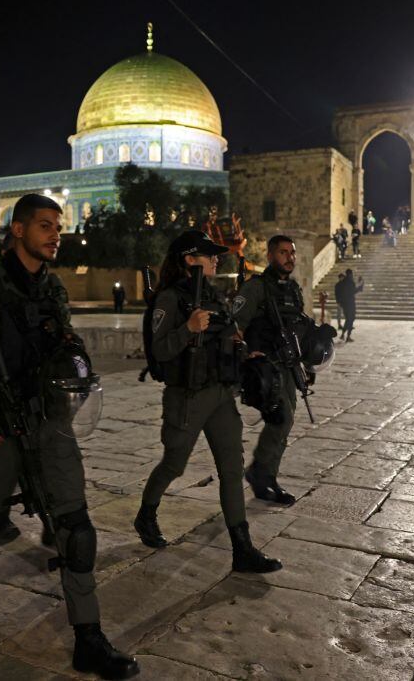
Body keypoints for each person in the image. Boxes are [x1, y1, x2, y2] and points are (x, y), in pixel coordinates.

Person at [0, 194, 138, 679]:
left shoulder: (53, 290)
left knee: (77, 531)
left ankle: (88, 637)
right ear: (16, 230)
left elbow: (64, 345)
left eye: (56, 226)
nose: (54, 234)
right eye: (44, 225)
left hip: (50, 426)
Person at [133, 230, 282, 575]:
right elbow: (159, 350)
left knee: (232, 470)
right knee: (174, 465)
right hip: (186, 397)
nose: (217, 258)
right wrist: (187, 328)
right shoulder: (170, 299)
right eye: (209, 254)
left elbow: (227, 339)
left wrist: (245, 352)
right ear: (189, 259)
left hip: (219, 395)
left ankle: (242, 550)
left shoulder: (213, 297)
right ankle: (146, 513)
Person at [233, 235, 307, 505]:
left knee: (285, 424)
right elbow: (235, 326)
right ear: (271, 256)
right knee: (281, 420)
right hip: (265, 368)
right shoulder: (256, 289)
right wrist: (245, 355)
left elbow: (297, 326)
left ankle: (267, 476)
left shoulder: (292, 290)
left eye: (292, 253)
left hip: (288, 366)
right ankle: (259, 474)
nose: (290, 258)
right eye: (283, 252)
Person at [335, 269, 363, 341]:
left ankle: (343, 334)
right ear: (350, 274)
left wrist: (340, 302)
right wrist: (360, 286)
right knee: (351, 319)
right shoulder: (350, 282)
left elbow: (339, 292)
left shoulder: (342, 283)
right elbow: (353, 291)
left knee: (348, 319)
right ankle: (347, 336)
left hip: (344, 305)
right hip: (350, 304)